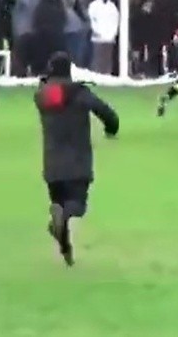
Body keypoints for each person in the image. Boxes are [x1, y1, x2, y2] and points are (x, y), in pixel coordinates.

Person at [34, 52, 120, 266]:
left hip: (52, 163)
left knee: (59, 203)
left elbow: (49, 92)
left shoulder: (43, 95)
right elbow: (106, 112)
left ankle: (65, 248)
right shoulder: (80, 93)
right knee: (77, 206)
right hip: (78, 161)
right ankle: (62, 217)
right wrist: (111, 128)